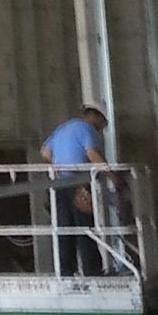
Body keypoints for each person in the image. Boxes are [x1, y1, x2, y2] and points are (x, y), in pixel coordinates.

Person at [40, 106, 108, 278]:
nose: (101, 128)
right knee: (85, 228)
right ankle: (92, 271)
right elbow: (92, 154)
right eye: (102, 122)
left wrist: (56, 165)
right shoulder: (87, 129)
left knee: (64, 229)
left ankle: (66, 272)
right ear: (94, 116)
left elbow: (45, 151)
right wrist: (114, 177)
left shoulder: (62, 128)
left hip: (59, 185)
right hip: (78, 184)